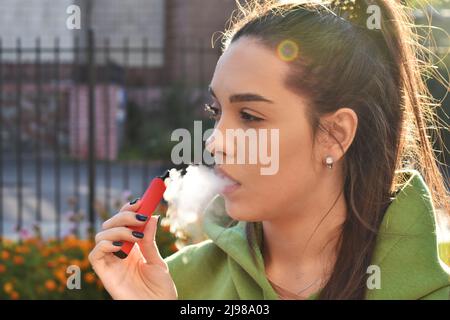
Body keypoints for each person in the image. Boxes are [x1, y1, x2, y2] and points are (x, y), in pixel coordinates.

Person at [89, 0, 450, 299]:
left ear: (335, 135)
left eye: (249, 115)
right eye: (216, 112)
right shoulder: (177, 284)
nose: (214, 142)